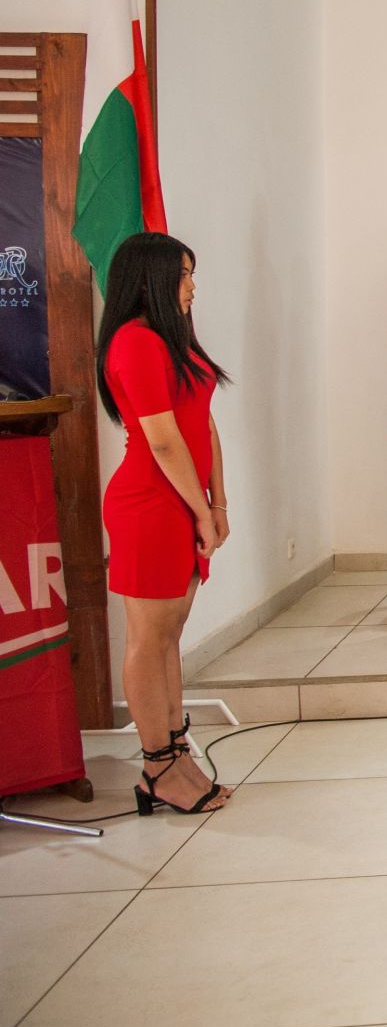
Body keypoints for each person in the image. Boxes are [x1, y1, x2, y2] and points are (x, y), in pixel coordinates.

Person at [97, 233, 233, 816]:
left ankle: (178, 756)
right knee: (149, 639)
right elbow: (162, 440)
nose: (192, 286)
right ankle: (157, 767)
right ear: (150, 278)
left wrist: (218, 504)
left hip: (185, 501)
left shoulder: (173, 342)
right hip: (150, 504)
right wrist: (201, 510)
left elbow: (205, 426)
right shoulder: (134, 342)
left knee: (169, 636)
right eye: (183, 274)